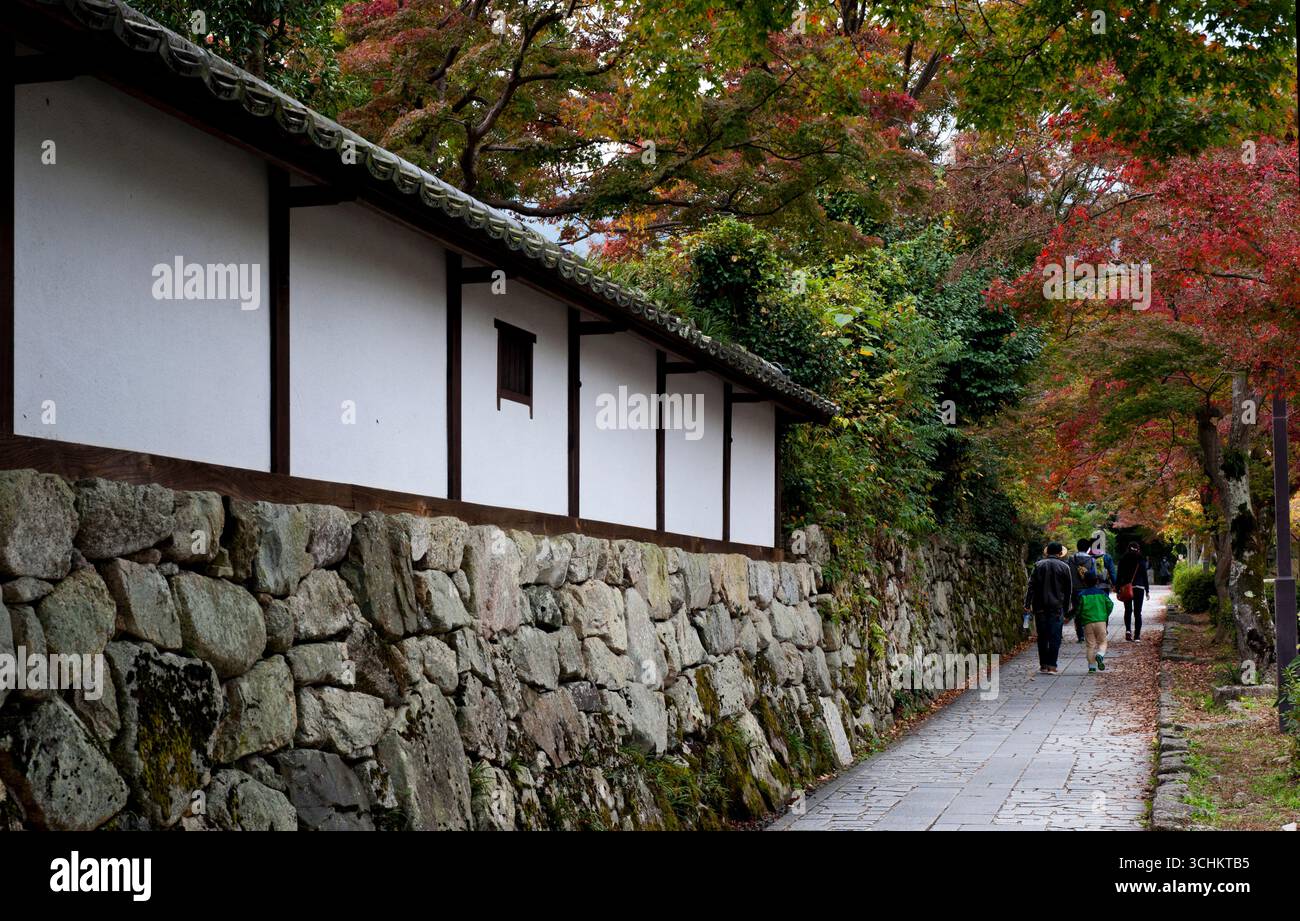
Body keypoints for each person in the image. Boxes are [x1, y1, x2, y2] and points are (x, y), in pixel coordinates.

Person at [1025, 542, 1073, 674]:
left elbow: (1031, 586)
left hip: (1039, 606)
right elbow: (1068, 590)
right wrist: (1066, 609)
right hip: (1057, 607)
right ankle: (1052, 665)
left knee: (1042, 636)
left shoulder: (1038, 565)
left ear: (1048, 552)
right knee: (1055, 636)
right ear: (1059, 553)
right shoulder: (1065, 567)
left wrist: (1027, 604)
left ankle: (1043, 664)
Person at [1076, 571, 1115, 672]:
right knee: (1102, 642)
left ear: (1084, 582)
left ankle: (1092, 667)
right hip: (1101, 621)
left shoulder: (1082, 595)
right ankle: (1100, 654)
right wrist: (1105, 614)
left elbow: (1078, 609)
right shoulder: (1102, 593)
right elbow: (1110, 604)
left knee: (1090, 645)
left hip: (1088, 622)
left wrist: (1081, 618)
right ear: (1097, 581)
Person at [1116, 542, 1150, 641]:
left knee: (1128, 610)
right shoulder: (1140, 559)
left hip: (1126, 587)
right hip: (1139, 588)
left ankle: (1128, 630)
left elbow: (1119, 575)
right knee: (1137, 612)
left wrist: (1118, 588)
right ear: (1138, 549)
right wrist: (1147, 590)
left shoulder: (1123, 559)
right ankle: (1137, 636)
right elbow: (1144, 576)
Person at [1068, 538, 1097, 642]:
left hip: (1075, 589)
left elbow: (1068, 575)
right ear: (1088, 548)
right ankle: (1089, 634)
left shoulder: (1071, 560)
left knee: (1077, 611)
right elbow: (1095, 575)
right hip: (1088, 590)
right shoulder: (1091, 560)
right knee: (1088, 612)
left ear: (1077, 547)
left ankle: (1080, 636)